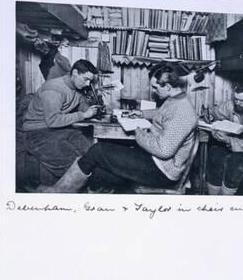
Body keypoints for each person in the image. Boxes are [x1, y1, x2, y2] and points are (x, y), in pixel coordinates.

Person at [43, 64, 198, 193]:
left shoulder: (183, 112)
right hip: (153, 160)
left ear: (169, 87)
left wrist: (138, 130)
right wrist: (141, 113)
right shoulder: (175, 99)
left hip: (161, 171)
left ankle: (57, 193)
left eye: (155, 88)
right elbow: (163, 114)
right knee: (100, 169)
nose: (153, 91)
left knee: (98, 150)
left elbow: (163, 150)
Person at [22, 59, 100, 186]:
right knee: (74, 166)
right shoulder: (54, 89)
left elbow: (82, 106)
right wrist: (83, 115)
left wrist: (91, 108)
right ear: (75, 72)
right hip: (36, 132)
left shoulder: (78, 88)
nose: (88, 84)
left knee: (90, 155)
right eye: (86, 79)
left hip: (59, 130)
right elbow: (53, 120)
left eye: (90, 81)